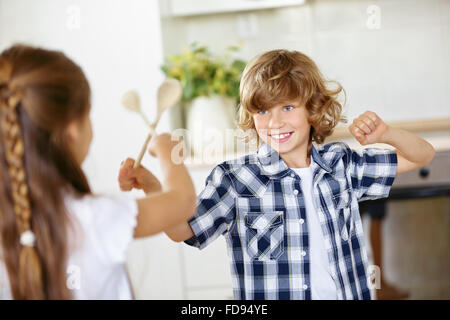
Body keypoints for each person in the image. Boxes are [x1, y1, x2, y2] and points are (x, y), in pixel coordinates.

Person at [119, 49, 435, 300]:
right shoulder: (235, 180)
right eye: (263, 111)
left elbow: (422, 155)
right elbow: (182, 230)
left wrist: (387, 133)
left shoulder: (341, 164)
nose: (274, 122)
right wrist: (152, 185)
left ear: (313, 109)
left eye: (287, 107)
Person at [0, 44, 196, 300]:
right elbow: (183, 202)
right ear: (72, 130)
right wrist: (169, 152)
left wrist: (151, 186)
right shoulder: (94, 218)